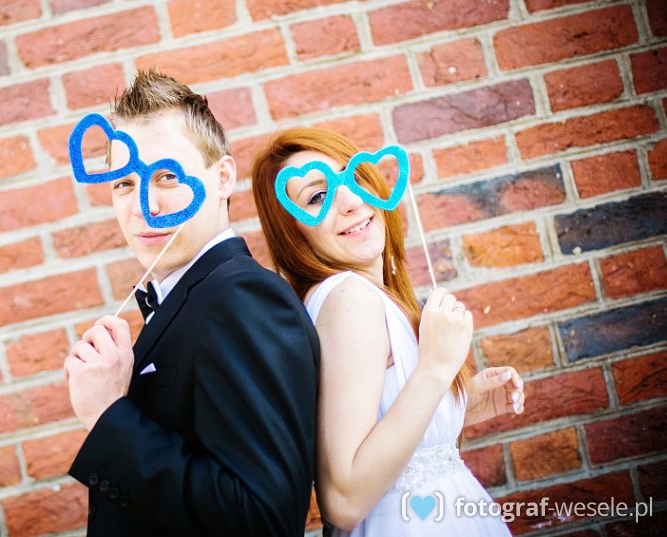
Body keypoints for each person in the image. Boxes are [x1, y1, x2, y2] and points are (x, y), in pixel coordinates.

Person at [64, 70, 320, 536]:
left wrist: (108, 416)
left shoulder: (242, 299)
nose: (144, 205)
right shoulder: (188, 296)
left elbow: (264, 521)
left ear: (222, 178)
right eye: (123, 183)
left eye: (166, 176)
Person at [251, 127, 524, 536]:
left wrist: (455, 406)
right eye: (317, 197)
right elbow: (343, 500)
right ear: (293, 233)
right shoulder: (351, 300)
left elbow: (379, 443)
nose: (351, 200)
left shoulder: (366, 297)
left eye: (353, 175)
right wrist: (435, 368)